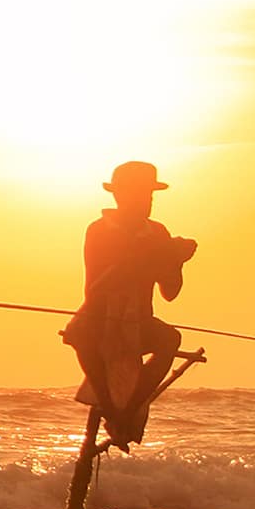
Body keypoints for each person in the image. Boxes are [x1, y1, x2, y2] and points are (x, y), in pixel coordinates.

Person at [64, 160, 197, 451]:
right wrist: (144, 257)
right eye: (137, 195)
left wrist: (176, 262)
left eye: (148, 196)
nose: (144, 202)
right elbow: (95, 288)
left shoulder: (158, 232)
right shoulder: (99, 230)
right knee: (81, 336)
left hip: (139, 320)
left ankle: (129, 408)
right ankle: (111, 407)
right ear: (118, 196)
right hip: (102, 316)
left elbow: (170, 292)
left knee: (170, 338)